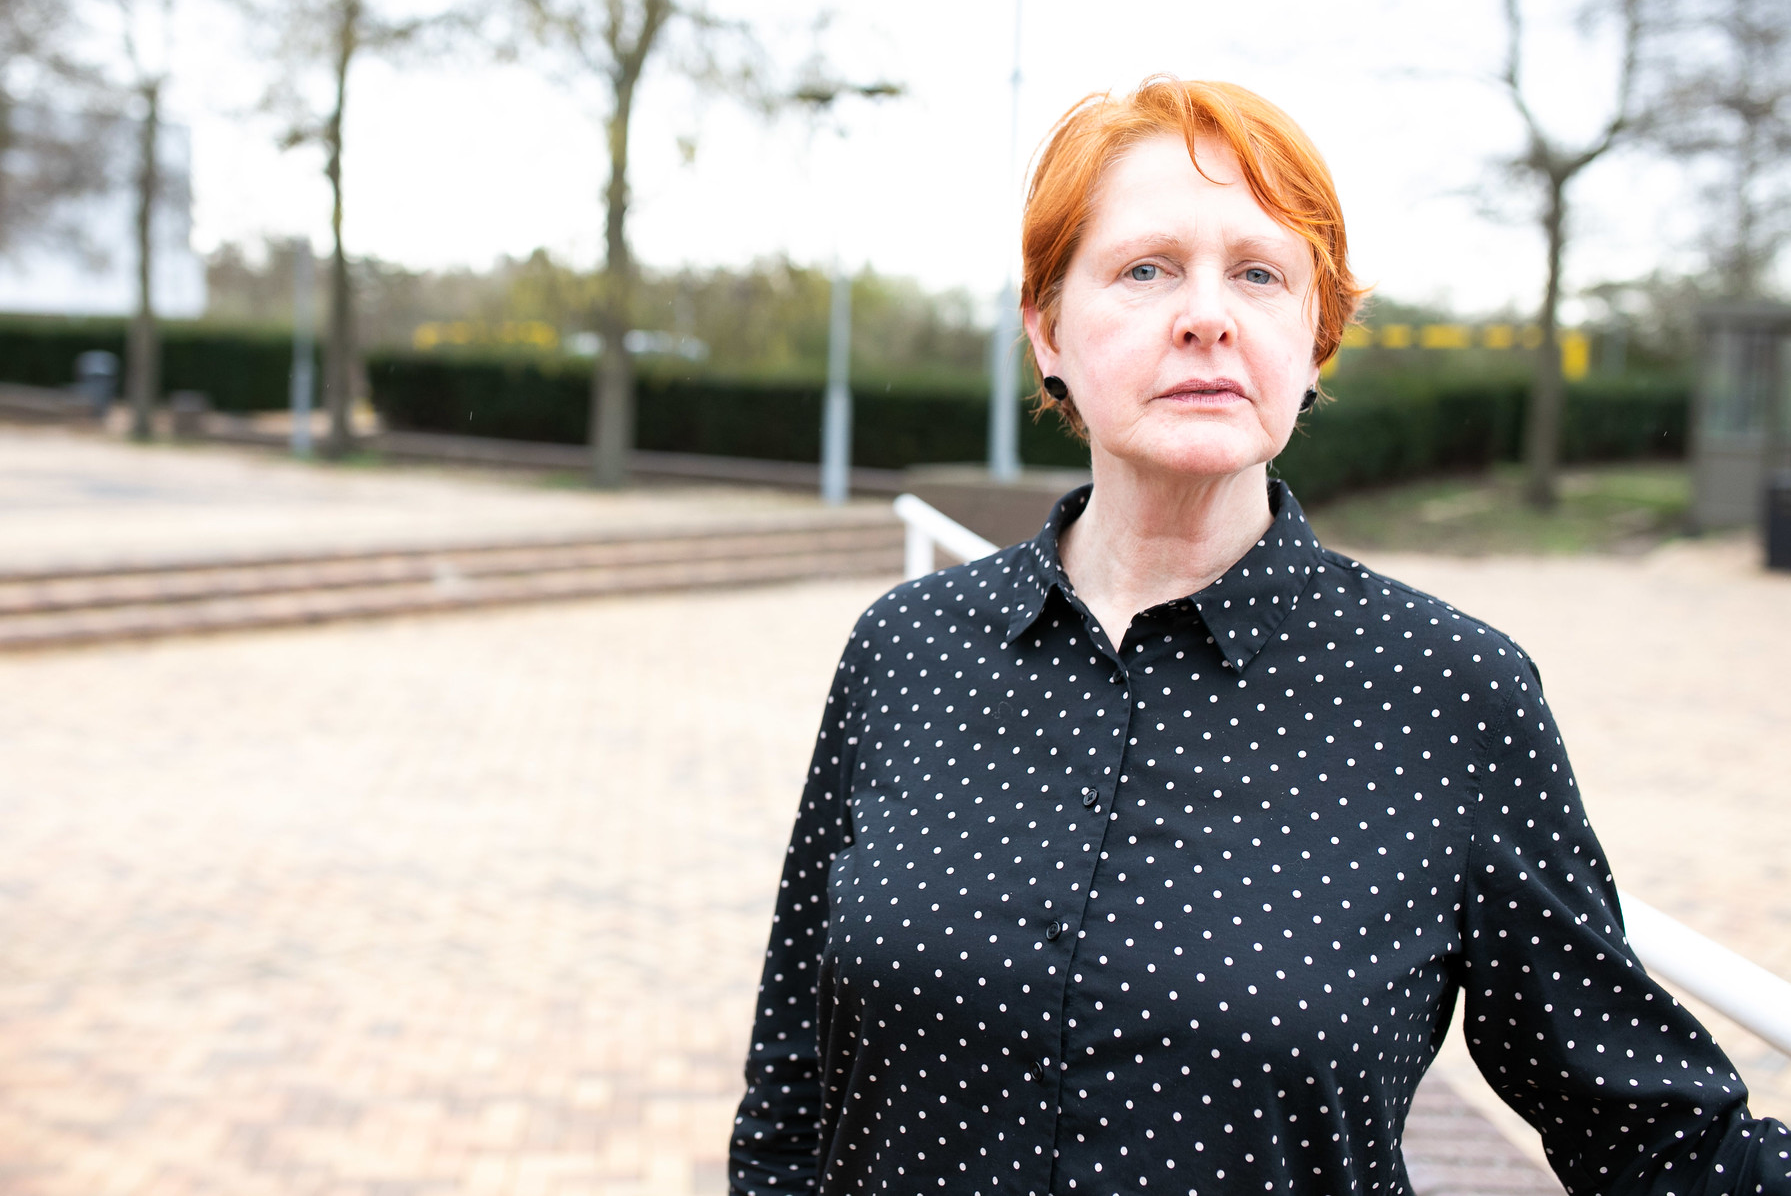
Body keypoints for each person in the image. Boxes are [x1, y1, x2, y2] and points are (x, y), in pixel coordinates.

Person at [728, 77, 1791, 1196]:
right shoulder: (907, 650)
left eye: (1259, 274)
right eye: (1144, 269)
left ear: (1315, 342)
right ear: (1045, 329)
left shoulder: (1446, 695)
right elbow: (794, 1095)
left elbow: (1653, 1142)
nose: (1205, 314)